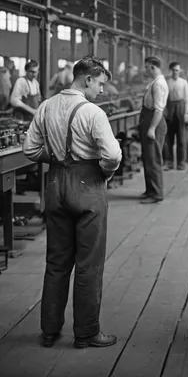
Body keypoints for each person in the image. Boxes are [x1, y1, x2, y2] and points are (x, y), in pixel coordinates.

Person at [22, 56, 122, 349]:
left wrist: (56, 160)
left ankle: (50, 331)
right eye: (100, 84)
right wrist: (103, 173)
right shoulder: (92, 112)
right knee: (89, 263)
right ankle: (87, 333)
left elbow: (30, 149)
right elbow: (113, 156)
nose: (101, 91)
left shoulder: (46, 106)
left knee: (56, 261)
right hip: (87, 186)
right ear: (87, 79)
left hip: (55, 185)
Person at [139, 56, 169, 204]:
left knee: (153, 158)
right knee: (147, 158)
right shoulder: (155, 83)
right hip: (149, 118)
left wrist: (152, 128)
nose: (145, 70)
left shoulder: (159, 84)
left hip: (154, 122)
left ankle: (157, 193)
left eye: (146, 67)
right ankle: (150, 190)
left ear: (152, 67)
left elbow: (158, 109)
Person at [164, 61, 188, 170]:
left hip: (180, 109)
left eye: (177, 70)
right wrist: (165, 110)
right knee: (169, 138)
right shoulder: (167, 82)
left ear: (180, 71)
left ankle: (181, 162)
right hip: (170, 108)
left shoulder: (183, 82)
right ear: (171, 71)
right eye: (174, 70)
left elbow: (187, 99)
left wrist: (186, 113)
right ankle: (169, 162)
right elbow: (164, 97)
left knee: (181, 138)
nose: (176, 72)